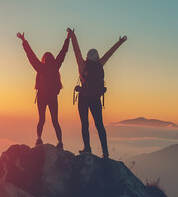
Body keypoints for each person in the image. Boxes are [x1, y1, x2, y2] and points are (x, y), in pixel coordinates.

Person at [68, 27, 127, 158]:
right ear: (97, 57)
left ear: (88, 57)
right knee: (100, 125)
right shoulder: (100, 63)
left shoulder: (82, 65)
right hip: (95, 99)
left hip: (83, 98)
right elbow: (109, 53)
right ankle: (105, 152)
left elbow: (76, 50)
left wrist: (72, 36)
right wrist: (120, 41)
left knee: (85, 124)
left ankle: (87, 148)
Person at [17, 30, 71, 148]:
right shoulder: (56, 66)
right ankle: (60, 142)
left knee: (42, 119)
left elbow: (30, 55)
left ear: (44, 59)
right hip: (53, 97)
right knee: (55, 121)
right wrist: (68, 38)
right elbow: (63, 52)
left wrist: (24, 41)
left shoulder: (40, 67)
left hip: (41, 97)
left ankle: (39, 139)